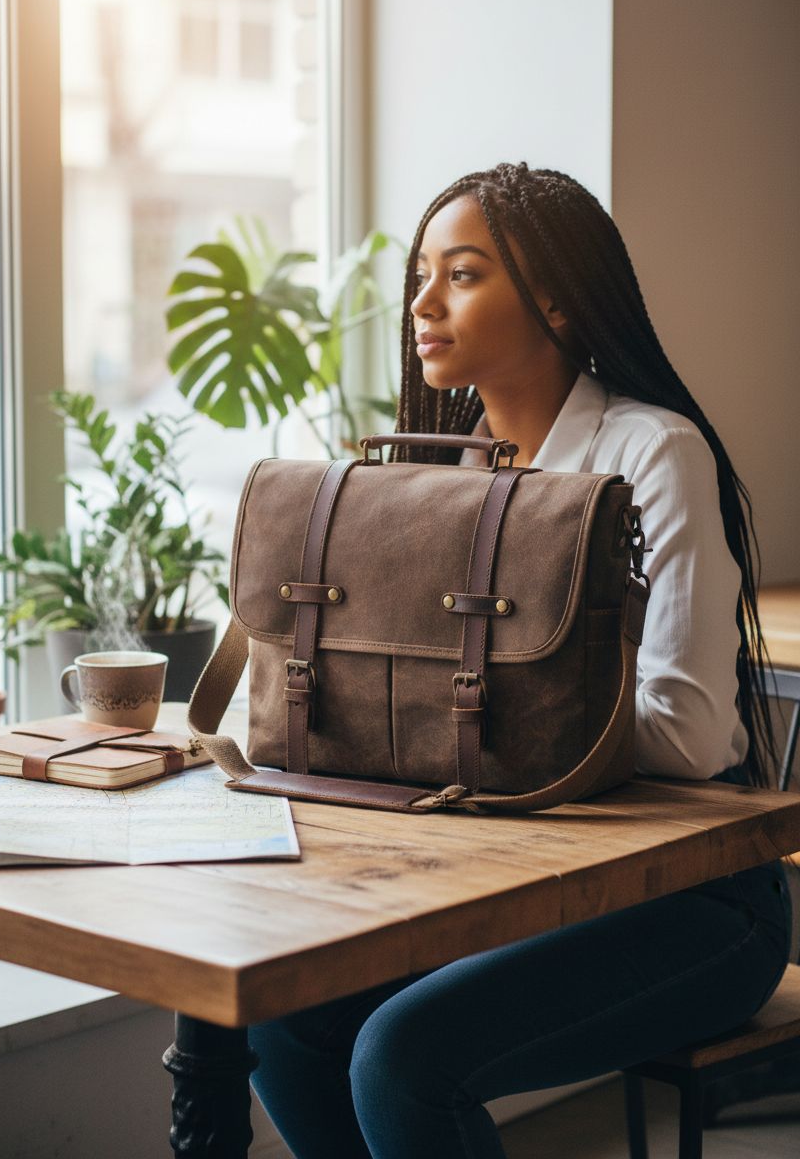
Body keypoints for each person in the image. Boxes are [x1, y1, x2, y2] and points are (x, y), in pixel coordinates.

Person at [249, 162, 792, 1158]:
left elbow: (693, 730)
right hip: (503, 880)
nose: (420, 302)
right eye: (421, 273)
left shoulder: (649, 453)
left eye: (460, 274)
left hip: (693, 903)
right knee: (283, 1029)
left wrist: (470, 715)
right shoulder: (433, 479)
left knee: (402, 1063)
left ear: (551, 297)